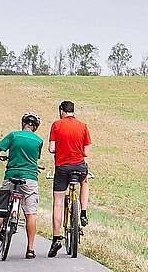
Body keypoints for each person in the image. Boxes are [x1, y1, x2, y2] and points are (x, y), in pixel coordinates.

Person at [0, 112, 43, 259]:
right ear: (35, 127)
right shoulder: (38, 141)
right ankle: (30, 249)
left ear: (23, 123)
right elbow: (34, 158)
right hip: (29, 179)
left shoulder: (14, 135)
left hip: (11, 175)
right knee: (30, 213)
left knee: (1, 204)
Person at [47, 100, 92, 258]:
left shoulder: (56, 125)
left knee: (58, 202)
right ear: (73, 111)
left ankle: (56, 238)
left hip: (62, 167)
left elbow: (51, 148)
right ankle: (84, 212)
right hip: (79, 166)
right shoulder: (83, 126)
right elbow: (86, 152)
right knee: (85, 182)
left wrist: (60, 149)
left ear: (61, 111)